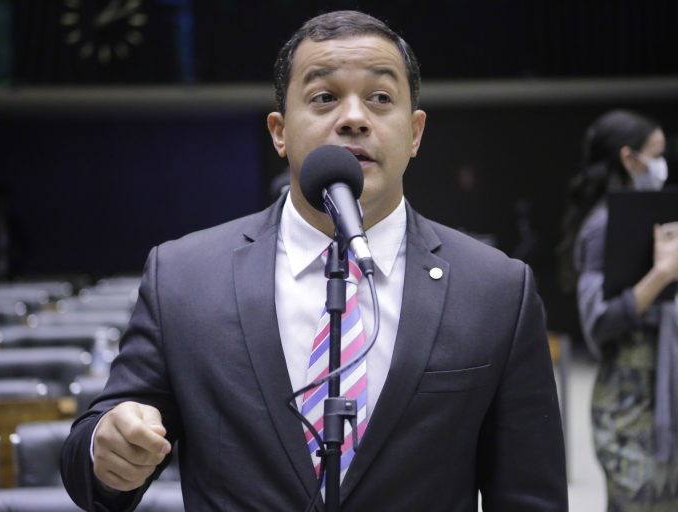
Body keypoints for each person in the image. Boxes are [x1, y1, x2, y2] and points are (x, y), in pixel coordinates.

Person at [62, 10, 567, 511]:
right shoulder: (184, 276)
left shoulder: (496, 289)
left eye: (380, 98)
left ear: (415, 133)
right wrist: (107, 450)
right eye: (324, 97)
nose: (353, 118)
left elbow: (530, 496)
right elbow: (94, 451)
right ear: (279, 131)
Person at [559, 109, 678, 511]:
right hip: (629, 410)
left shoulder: (647, 214)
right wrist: (662, 275)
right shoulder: (602, 225)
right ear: (630, 158)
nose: (661, 165)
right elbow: (600, 321)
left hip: (662, 399)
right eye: (655, 154)